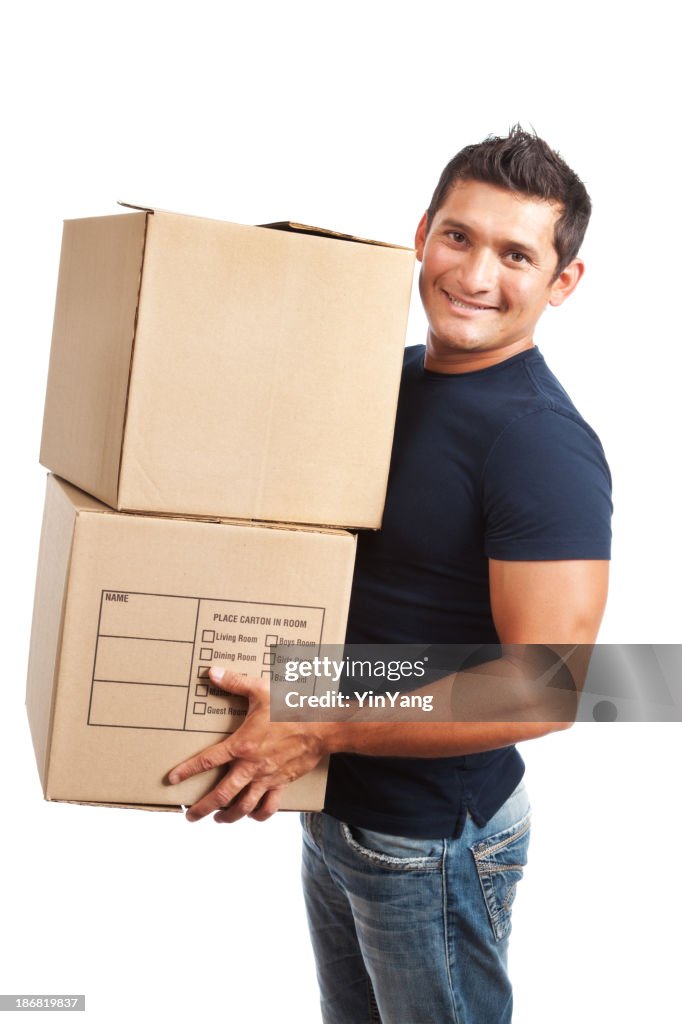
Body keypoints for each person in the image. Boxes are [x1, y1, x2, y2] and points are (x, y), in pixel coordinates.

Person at [168, 127, 612, 1023]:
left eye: (516, 254)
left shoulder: (538, 443)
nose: (476, 274)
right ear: (421, 233)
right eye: (460, 236)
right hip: (340, 810)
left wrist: (322, 722)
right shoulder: (394, 381)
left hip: (433, 839)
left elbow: (549, 688)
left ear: (562, 282)